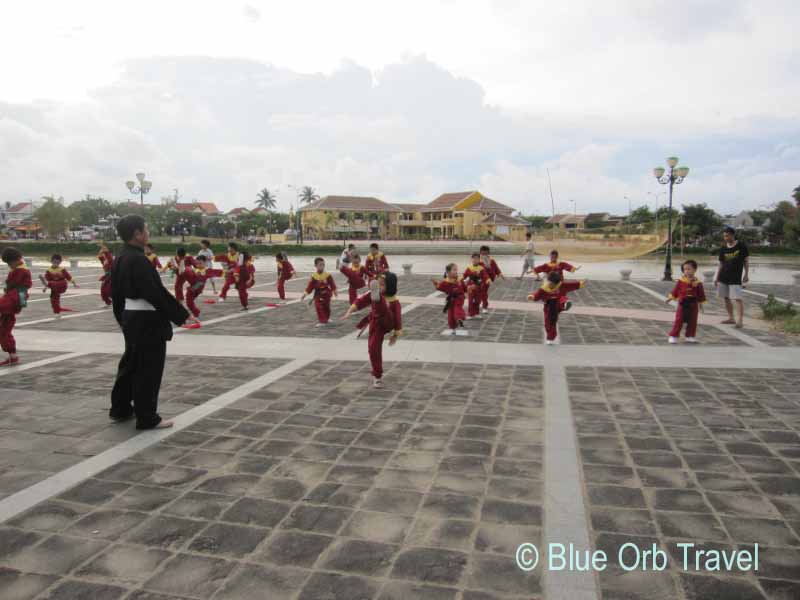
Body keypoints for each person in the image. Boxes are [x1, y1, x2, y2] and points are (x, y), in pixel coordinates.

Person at [110, 214, 194, 429]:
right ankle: (147, 417)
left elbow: (116, 293)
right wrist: (182, 315)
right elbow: (155, 293)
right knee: (148, 369)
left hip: (131, 318)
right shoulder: (138, 259)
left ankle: (120, 408)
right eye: (145, 229)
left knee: (130, 365)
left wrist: (122, 319)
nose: (148, 232)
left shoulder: (121, 257)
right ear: (137, 234)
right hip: (146, 320)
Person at [341, 274, 402, 388]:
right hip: (376, 324)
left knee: (383, 307)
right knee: (373, 349)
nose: (379, 286)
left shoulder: (394, 301)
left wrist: (395, 335)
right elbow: (360, 301)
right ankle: (377, 376)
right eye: (378, 284)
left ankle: (378, 300)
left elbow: (398, 318)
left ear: (390, 286)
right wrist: (349, 311)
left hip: (388, 322)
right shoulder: (370, 294)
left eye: (382, 285)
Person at [528, 271, 585, 345]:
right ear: (548, 281)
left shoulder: (561, 285)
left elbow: (571, 285)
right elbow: (537, 295)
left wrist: (579, 284)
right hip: (549, 306)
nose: (551, 285)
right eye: (549, 282)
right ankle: (550, 338)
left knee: (562, 298)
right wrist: (532, 296)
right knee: (550, 322)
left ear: (557, 283)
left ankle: (566, 304)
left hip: (559, 303)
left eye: (553, 284)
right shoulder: (544, 289)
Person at [0, 247, 32, 366]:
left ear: (16, 260)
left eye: (9, 263)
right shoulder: (20, 269)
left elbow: (12, 284)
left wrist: (7, 287)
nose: (9, 266)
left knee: (4, 312)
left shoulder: (20, 270)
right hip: (16, 296)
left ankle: (12, 356)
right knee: (4, 330)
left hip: (16, 296)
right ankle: (13, 356)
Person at [715, 226, 749, 328]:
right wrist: (717, 277)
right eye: (724, 236)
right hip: (723, 276)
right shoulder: (723, 248)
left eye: (727, 236)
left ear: (733, 235)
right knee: (726, 297)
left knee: (737, 298)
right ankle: (731, 318)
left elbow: (746, 261)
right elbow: (721, 264)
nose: (726, 238)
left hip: (735, 277)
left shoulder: (741, 246)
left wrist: (746, 274)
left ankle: (740, 320)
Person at [666, 259, 706, 344]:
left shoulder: (698, 283)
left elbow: (701, 294)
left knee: (693, 321)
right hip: (682, 304)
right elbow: (675, 291)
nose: (686, 271)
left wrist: (701, 305)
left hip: (693, 304)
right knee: (679, 320)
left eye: (689, 269)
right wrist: (670, 298)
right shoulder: (681, 281)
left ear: (695, 270)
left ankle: (690, 336)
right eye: (685, 269)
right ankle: (673, 335)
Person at [432, 263, 467, 336]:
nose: (456, 271)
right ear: (448, 272)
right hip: (450, 299)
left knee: (458, 308)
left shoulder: (459, 279)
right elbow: (440, 287)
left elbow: (465, 288)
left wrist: (469, 289)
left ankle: (460, 318)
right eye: (454, 270)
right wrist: (436, 284)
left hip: (459, 297)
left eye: (456, 270)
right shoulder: (446, 281)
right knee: (450, 314)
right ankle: (453, 328)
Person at [184, 255, 223, 320]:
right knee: (189, 302)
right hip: (192, 288)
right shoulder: (195, 269)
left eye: (200, 263)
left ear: (205, 263)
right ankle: (196, 312)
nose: (198, 265)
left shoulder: (207, 270)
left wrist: (228, 273)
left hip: (198, 287)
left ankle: (195, 312)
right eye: (197, 263)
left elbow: (218, 272)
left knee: (190, 297)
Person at [301, 257, 337, 326]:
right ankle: (322, 321)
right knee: (318, 307)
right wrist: (304, 294)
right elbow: (310, 287)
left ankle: (327, 318)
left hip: (326, 294)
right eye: (320, 265)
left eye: (323, 265)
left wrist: (334, 291)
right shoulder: (314, 276)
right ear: (316, 266)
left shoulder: (328, 275)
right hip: (318, 294)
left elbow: (332, 284)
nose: (322, 266)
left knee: (327, 307)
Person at [463, 253, 491, 319]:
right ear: (471, 259)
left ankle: (476, 313)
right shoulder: (469, 268)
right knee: (470, 301)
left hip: (479, 288)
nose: (475, 260)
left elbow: (485, 276)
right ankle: (470, 314)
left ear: (479, 260)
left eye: (477, 259)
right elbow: (464, 276)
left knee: (477, 301)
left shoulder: (481, 268)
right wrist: (461, 281)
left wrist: (488, 280)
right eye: (474, 258)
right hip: (471, 288)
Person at [479, 245, 503, 313]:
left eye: (486, 253)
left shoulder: (491, 260)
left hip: (488, 279)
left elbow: (496, 268)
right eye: (482, 253)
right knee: (479, 292)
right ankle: (480, 303)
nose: (484, 255)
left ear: (488, 253)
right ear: (480, 253)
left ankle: (484, 306)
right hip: (479, 279)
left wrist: (500, 274)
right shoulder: (478, 260)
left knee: (483, 291)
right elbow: (473, 269)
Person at [97, 242, 114, 307]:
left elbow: (108, 254)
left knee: (108, 290)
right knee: (103, 290)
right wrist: (101, 249)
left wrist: (104, 248)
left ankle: (113, 301)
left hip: (112, 276)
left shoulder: (111, 259)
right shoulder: (104, 260)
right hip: (106, 276)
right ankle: (107, 302)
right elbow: (100, 256)